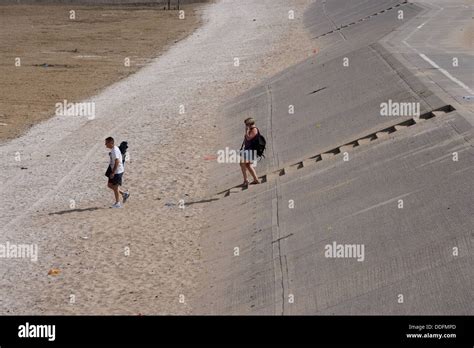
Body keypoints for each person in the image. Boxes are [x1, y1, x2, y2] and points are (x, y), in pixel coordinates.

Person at [105, 137, 129, 208]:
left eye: (106, 143)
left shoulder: (114, 150)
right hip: (115, 170)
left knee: (115, 187)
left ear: (111, 143)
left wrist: (113, 172)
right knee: (109, 185)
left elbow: (117, 162)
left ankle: (117, 203)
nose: (105, 144)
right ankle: (124, 194)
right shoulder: (113, 149)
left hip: (117, 171)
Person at [239, 118, 261, 186]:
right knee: (248, 165)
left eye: (246, 124)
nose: (245, 126)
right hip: (249, 150)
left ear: (249, 124)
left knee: (242, 163)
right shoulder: (251, 130)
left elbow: (249, 138)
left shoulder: (254, 130)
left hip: (251, 151)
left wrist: (246, 132)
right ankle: (255, 179)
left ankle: (246, 180)